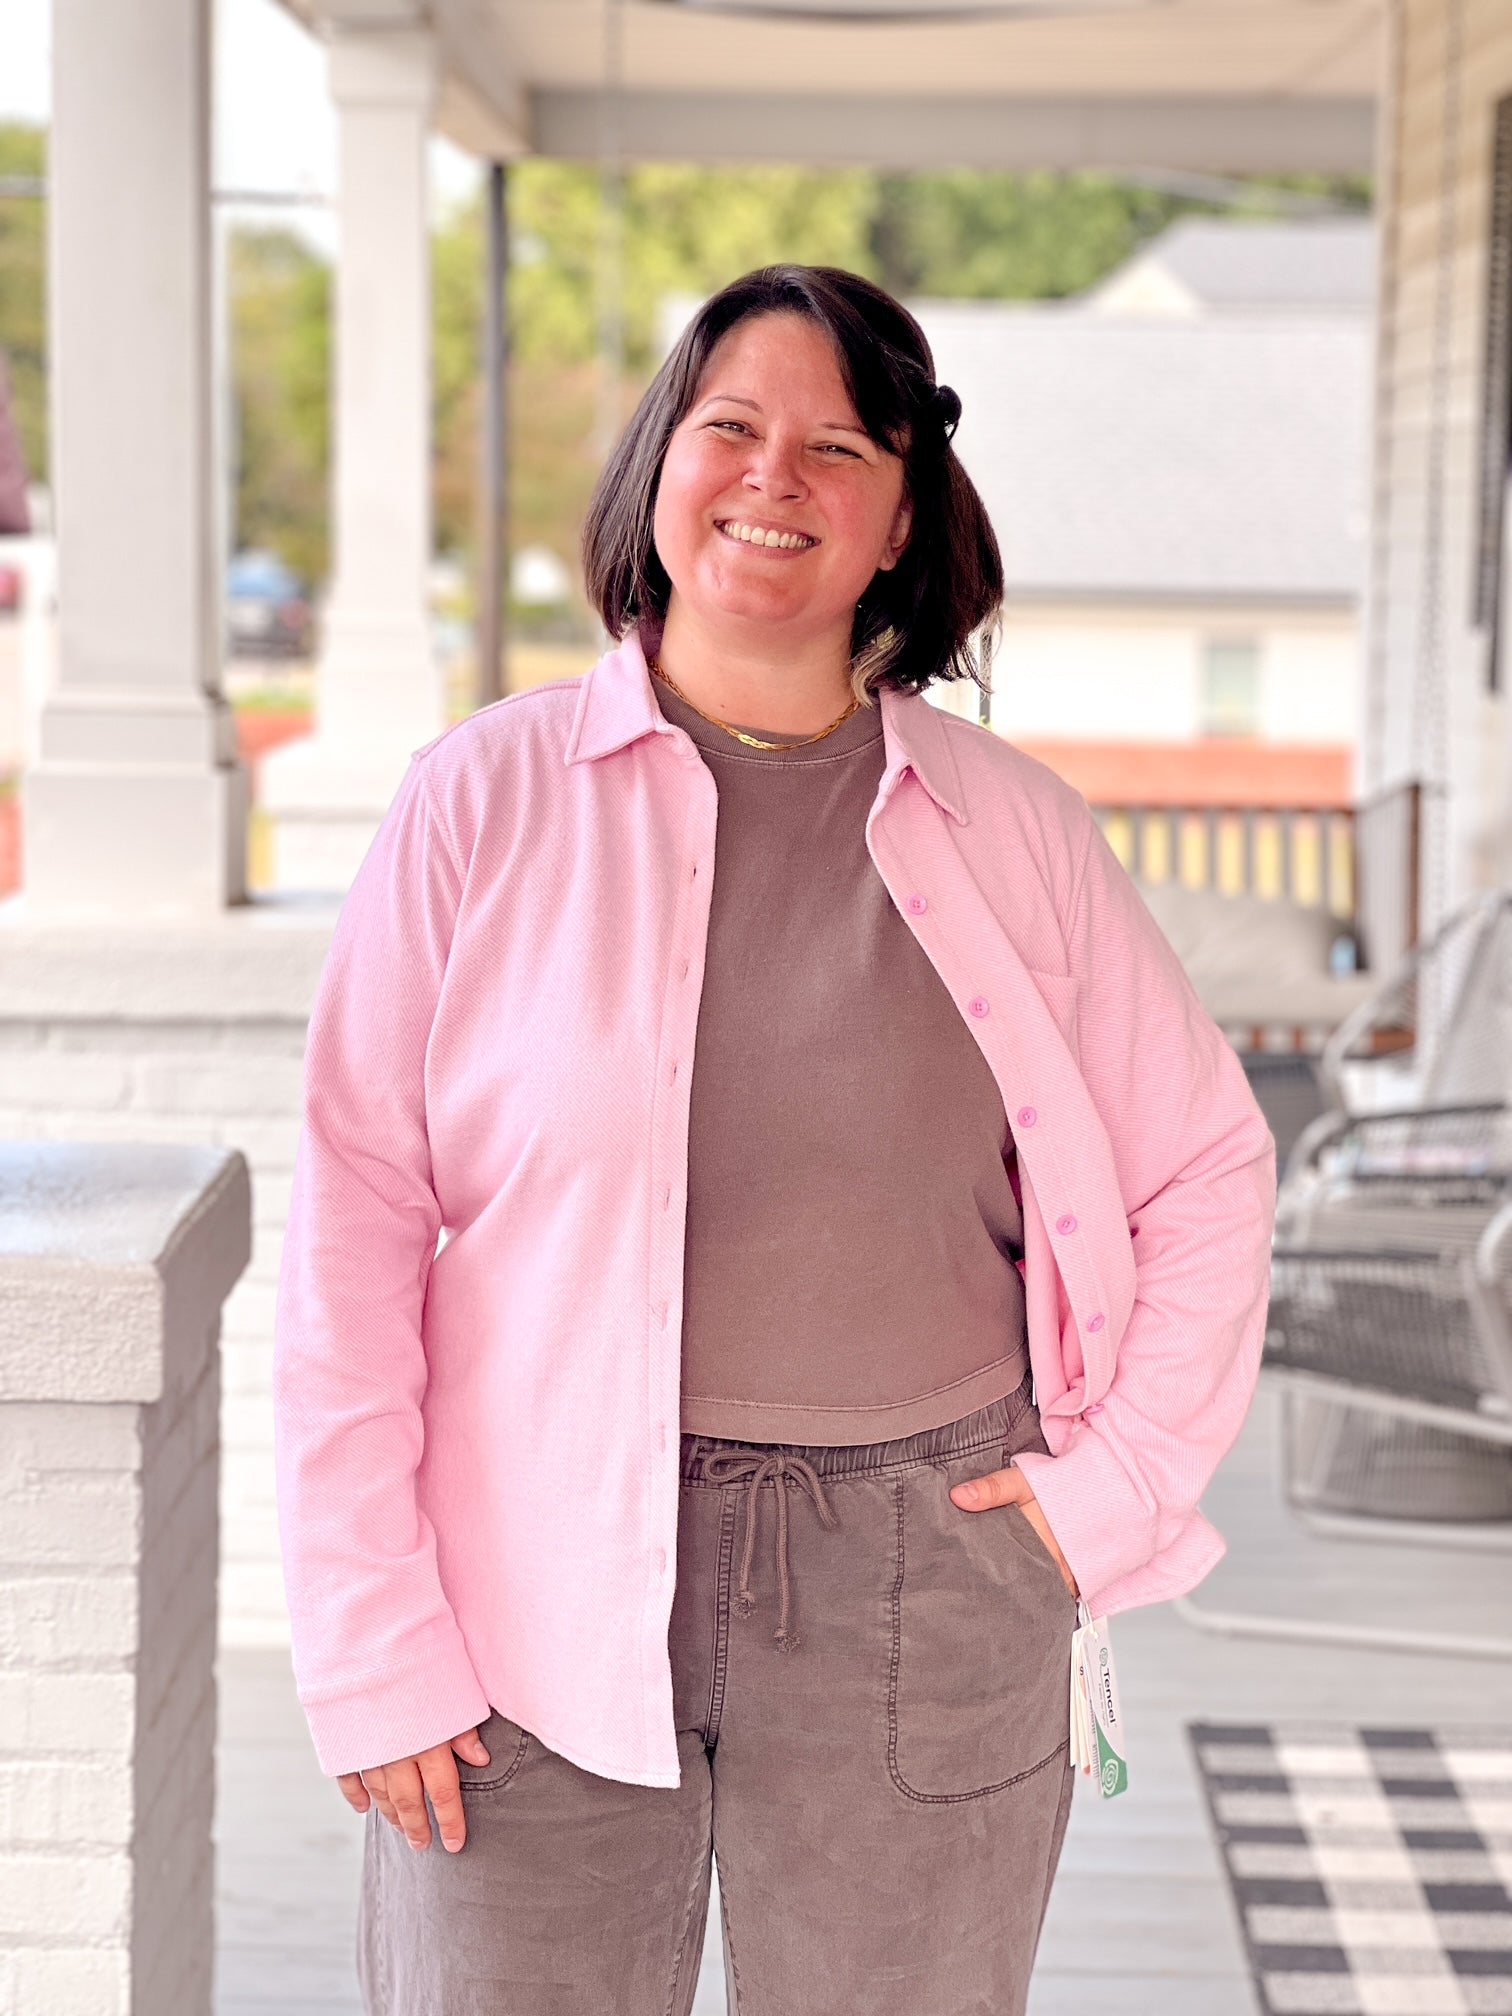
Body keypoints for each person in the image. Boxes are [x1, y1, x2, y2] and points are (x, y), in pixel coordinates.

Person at [272, 263, 1277, 2016]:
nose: (773, 477)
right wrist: (372, 1637)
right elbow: (357, 1227)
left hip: (927, 1575)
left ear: (902, 520)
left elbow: (1206, 1169)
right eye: (730, 426)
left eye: (838, 446)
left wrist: (1100, 1501)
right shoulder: (478, 803)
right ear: (660, 465)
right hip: (525, 1579)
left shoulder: (1011, 829)